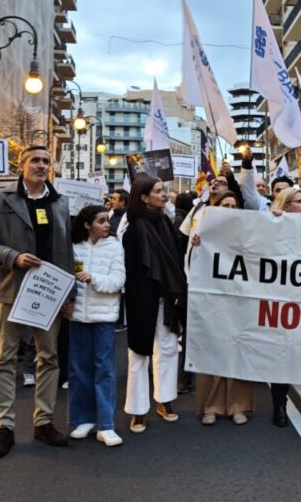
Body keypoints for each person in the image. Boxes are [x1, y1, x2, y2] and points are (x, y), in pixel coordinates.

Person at [0, 146, 76, 460]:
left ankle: (43, 422)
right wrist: (13, 257)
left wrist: (67, 295)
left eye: (46, 161)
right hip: (10, 290)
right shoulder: (1, 199)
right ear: (22, 166)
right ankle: (4, 427)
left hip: (48, 293)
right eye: (35, 160)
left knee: (49, 357)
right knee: (4, 360)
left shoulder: (60, 203)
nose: (42, 165)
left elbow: (65, 252)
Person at [186, 191, 256, 426]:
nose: (230, 208)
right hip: (212, 301)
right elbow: (190, 264)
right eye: (225, 204)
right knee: (213, 352)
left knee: (238, 351)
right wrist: (196, 247)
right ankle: (211, 407)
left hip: (240, 299)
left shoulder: (247, 230)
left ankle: (238, 406)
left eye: (234, 205)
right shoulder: (203, 231)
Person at [123, 175, 185, 434]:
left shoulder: (167, 225)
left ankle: (164, 399)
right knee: (139, 353)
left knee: (168, 348)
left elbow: (177, 255)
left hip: (167, 297)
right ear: (143, 197)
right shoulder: (133, 230)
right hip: (142, 299)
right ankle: (137, 410)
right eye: (158, 191)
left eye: (163, 190)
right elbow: (132, 271)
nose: (164, 194)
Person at [262, 187, 301, 427]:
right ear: (286, 205)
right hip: (283, 303)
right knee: (282, 354)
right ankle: (279, 405)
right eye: (299, 202)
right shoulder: (272, 225)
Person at [68, 205, 125, 446]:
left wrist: (94, 278)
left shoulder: (114, 246)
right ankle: (82, 419)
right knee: (79, 369)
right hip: (78, 317)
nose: (107, 225)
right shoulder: (73, 247)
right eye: (101, 221)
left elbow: (119, 280)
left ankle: (106, 424)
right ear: (87, 224)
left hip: (104, 318)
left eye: (107, 220)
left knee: (104, 369)